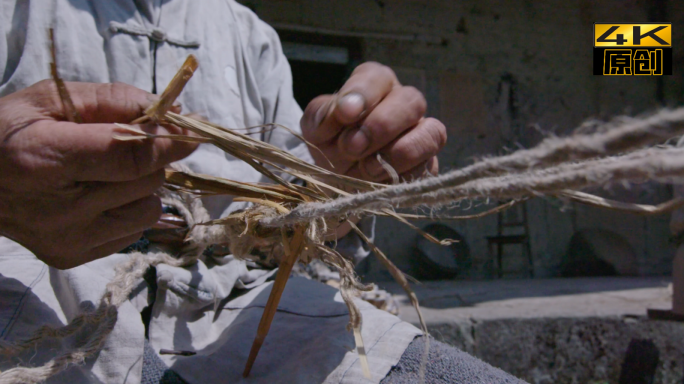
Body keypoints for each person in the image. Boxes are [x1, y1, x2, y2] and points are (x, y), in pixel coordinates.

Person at [0, 1, 525, 383]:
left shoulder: (246, 32)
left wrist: (337, 184)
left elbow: (294, 221)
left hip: (238, 305)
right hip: (39, 300)